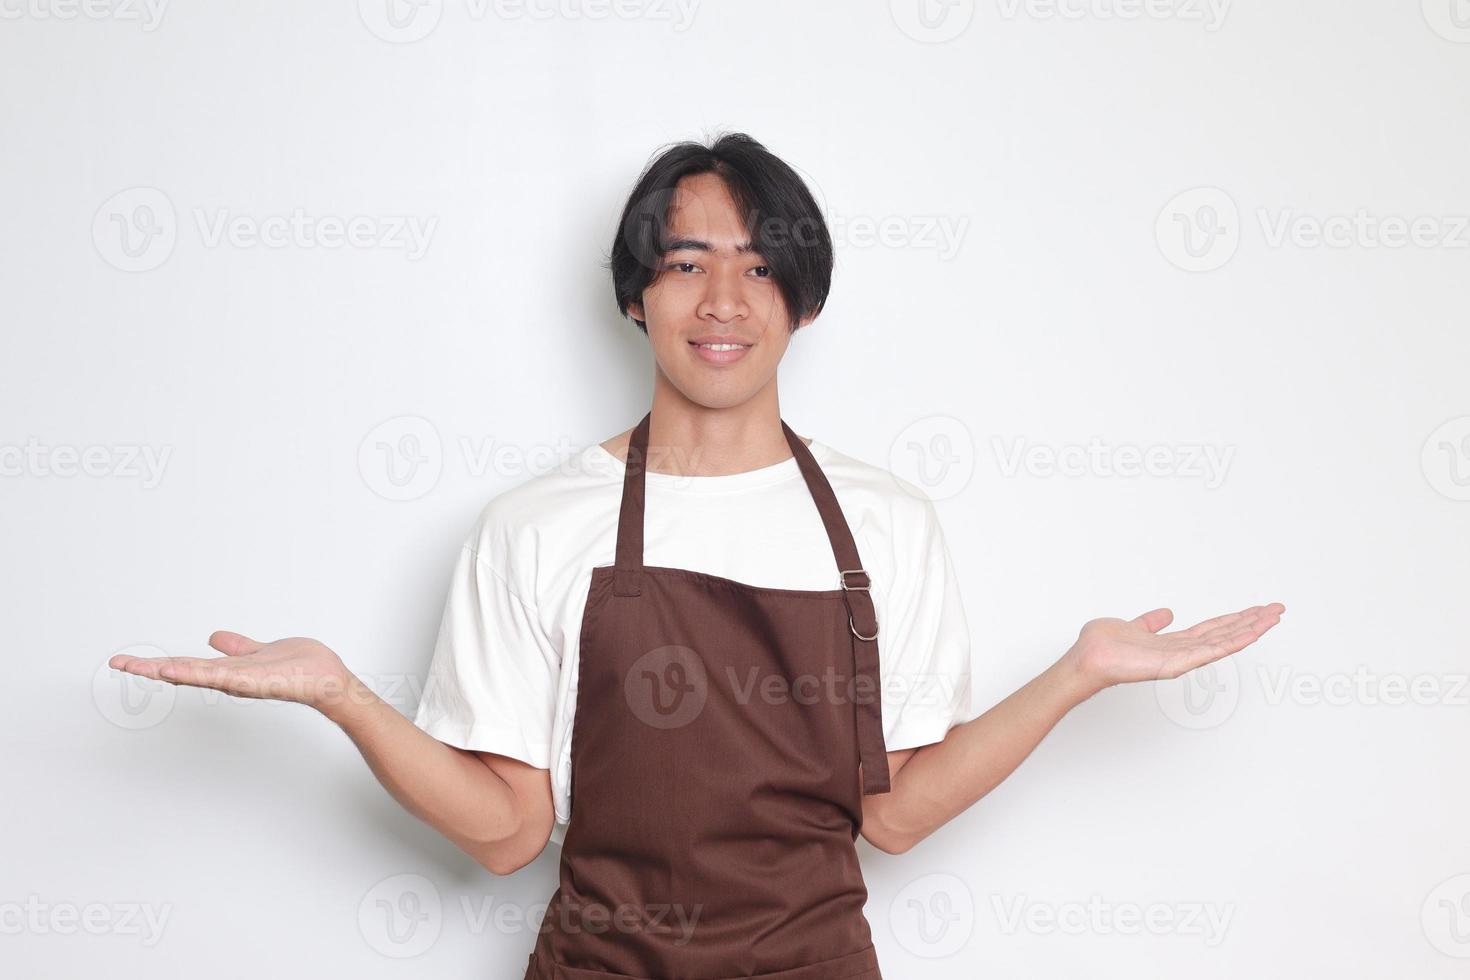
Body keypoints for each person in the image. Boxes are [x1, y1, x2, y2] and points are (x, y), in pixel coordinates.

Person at [110, 132, 1285, 980]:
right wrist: (343, 695)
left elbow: (897, 813)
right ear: (635, 293)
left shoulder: (882, 523)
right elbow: (511, 830)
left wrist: (1075, 673)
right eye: (686, 261)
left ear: (804, 302)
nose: (724, 296)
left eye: (762, 265)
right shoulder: (538, 524)